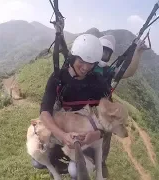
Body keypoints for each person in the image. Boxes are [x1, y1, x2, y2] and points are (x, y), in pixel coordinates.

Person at [31, 34, 111, 179]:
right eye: (82, 61)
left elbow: (110, 119)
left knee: (77, 171)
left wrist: (96, 135)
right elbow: (45, 112)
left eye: (91, 63)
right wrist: (62, 136)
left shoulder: (98, 83)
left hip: (86, 138)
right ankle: (59, 164)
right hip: (61, 132)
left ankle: (73, 167)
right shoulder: (58, 79)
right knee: (37, 161)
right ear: (74, 57)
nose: (86, 67)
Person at [93, 34, 148, 178]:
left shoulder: (107, 71)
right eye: (101, 51)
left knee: (106, 133)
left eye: (106, 53)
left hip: (102, 107)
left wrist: (137, 53)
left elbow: (128, 71)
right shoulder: (87, 64)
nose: (103, 56)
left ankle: (101, 161)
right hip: (85, 105)